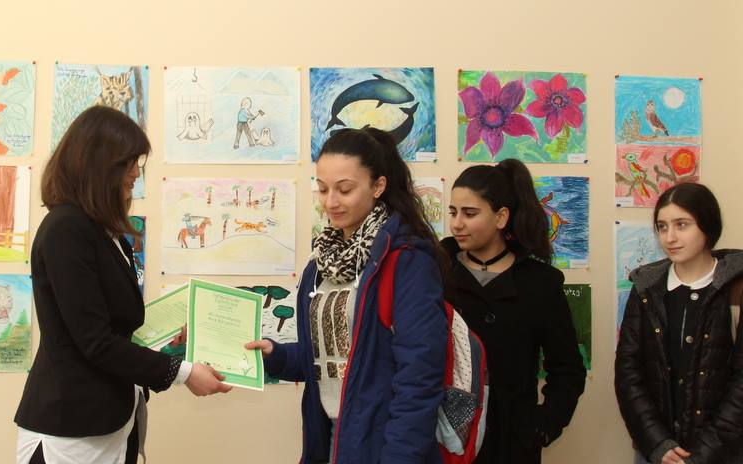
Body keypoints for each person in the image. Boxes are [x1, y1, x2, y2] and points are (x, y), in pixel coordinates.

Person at [14, 106, 231, 464]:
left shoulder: (108, 234)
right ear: (97, 163)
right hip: (70, 429)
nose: (135, 174)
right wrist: (184, 373)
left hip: (114, 421)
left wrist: (166, 338)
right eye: (128, 163)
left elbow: (116, 325)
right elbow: (95, 341)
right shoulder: (65, 229)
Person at [246, 128, 448, 463]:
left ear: (378, 186)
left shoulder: (406, 260)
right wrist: (277, 355)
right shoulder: (321, 261)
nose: (330, 202)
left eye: (345, 189)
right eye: (323, 189)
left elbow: (420, 376)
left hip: (384, 443)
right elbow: (329, 358)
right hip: (330, 438)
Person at [442, 160, 586, 464]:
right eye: (453, 212)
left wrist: (542, 427)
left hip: (512, 444)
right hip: (446, 441)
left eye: (470, 213)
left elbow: (567, 369)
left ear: (501, 217)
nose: (457, 224)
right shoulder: (437, 272)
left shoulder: (540, 283)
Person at [615, 183, 743, 464]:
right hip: (656, 453)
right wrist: (658, 444)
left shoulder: (736, 288)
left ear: (707, 226)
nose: (669, 237)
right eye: (662, 227)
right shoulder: (645, 288)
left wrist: (703, 453)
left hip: (723, 453)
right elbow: (628, 373)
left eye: (682, 225)